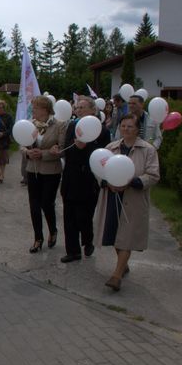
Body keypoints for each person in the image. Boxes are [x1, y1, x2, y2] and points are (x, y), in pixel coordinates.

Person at [94, 113, 160, 291]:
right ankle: (123, 265)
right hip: (112, 197)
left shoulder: (148, 150)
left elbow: (153, 175)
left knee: (127, 237)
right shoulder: (111, 148)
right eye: (123, 126)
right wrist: (108, 183)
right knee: (115, 234)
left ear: (138, 129)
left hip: (133, 199)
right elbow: (99, 171)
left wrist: (131, 182)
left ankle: (116, 276)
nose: (126, 129)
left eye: (130, 126)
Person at [54, 96, 110, 263]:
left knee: (83, 216)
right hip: (71, 177)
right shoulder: (73, 125)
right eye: (77, 108)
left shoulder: (102, 130)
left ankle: (88, 239)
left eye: (82, 108)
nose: (78, 110)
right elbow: (67, 149)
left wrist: (86, 148)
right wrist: (65, 150)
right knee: (69, 215)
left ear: (93, 110)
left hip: (89, 180)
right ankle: (72, 251)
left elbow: (103, 155)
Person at [22, 96, 67, 253]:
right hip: (32, 169)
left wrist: (43, 154)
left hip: (51, 171)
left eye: (35, 107)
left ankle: (53, 230)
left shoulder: (60, 125)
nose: (32, 110)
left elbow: (61, 149)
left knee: (46, 204)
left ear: (45, 109)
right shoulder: (30, 125)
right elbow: (22, 144)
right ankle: (38, 238)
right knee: (34, 205)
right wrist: (28, 152)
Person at [0, 99, 13, 184]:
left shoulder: (8, 117)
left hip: (4, 140)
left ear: (4, 108)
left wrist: (3, 134)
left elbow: (11, 129)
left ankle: (2, 174)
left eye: (1, 107)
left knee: (3, 158)